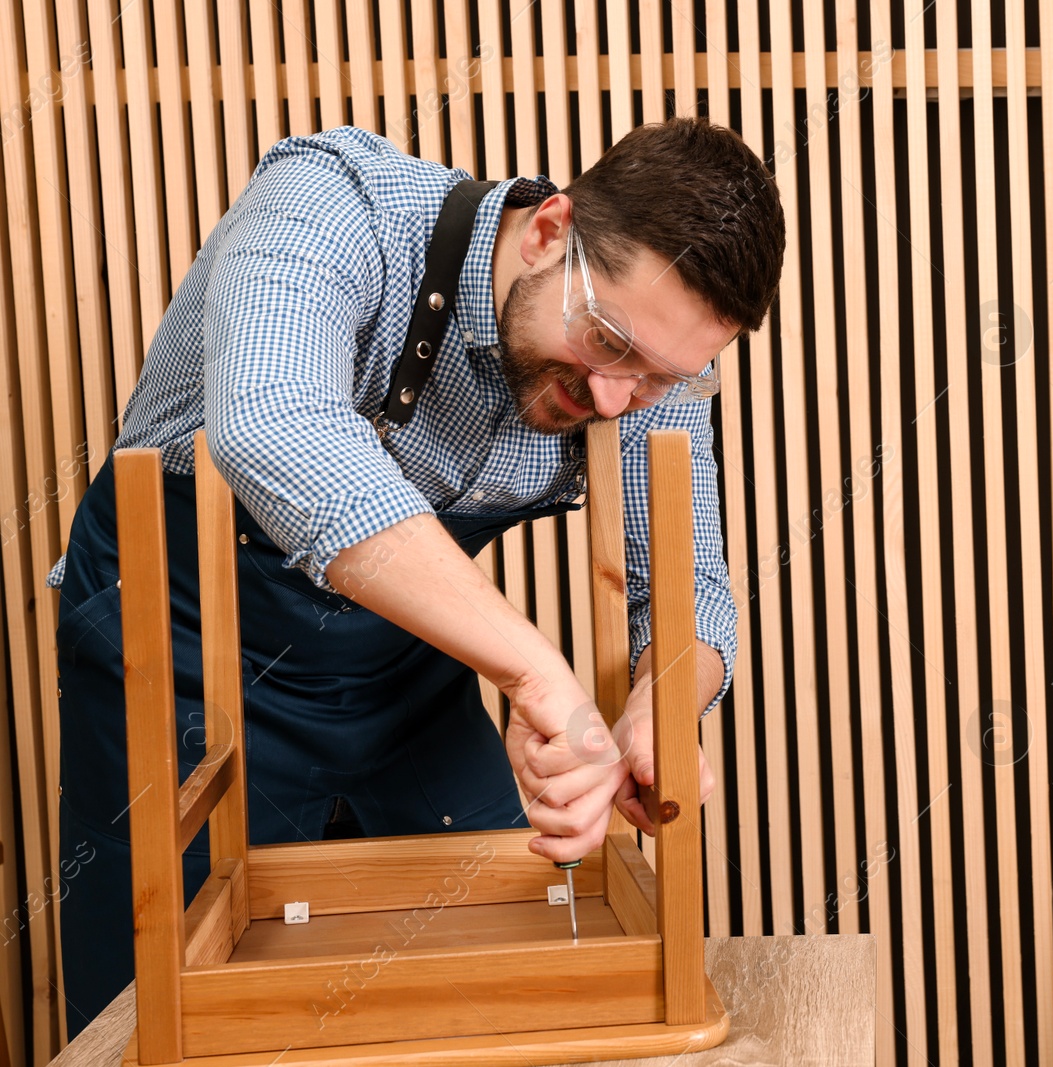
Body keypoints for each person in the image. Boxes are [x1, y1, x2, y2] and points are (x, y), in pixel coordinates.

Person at [50, 119, 784, 1034]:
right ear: (549, 230)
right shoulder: (338, 203)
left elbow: (689, 588)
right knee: (153, 1015)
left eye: (659, 379)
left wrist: (660, 705)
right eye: (604, 340)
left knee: (488, 987)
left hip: (398, 670)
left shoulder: (642, 368)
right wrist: (533, 669)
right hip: (174, 644)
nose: (613, 398)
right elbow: (275, 427)